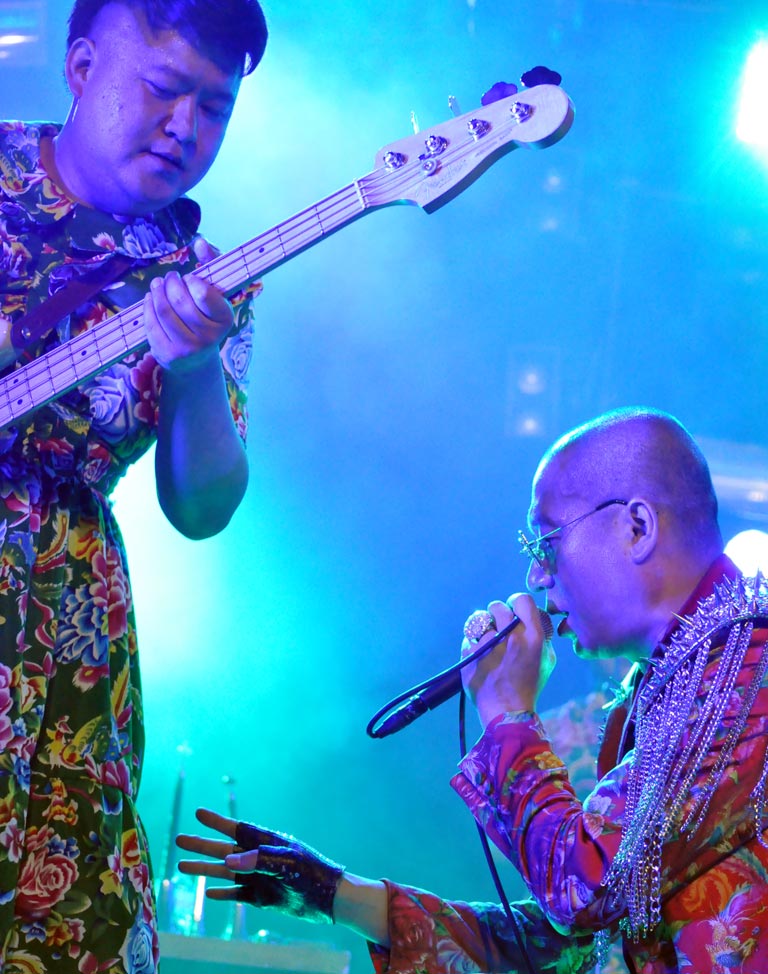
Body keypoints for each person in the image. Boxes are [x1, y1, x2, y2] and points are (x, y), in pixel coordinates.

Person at [177, 407, 768, 974]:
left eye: (546, 541)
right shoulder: (682, 678)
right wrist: (336, 893)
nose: (536, 575)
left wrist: (507, 713)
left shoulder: (750, 675)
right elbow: (580, 943)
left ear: (636, 527)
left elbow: (583, 889)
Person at [0, 0, 267, 970]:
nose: (186, 126)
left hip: (66, 649)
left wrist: (193, 368)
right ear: (81, 67)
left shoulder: (207, 278)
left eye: (215, 107)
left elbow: (203, 507)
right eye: (163, 89)